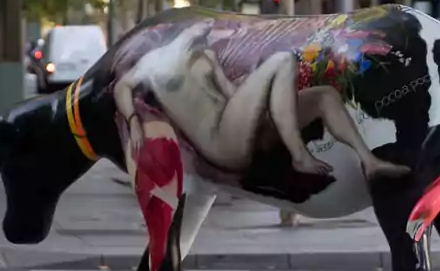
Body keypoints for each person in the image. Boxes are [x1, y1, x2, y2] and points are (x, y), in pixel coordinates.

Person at [114, 22, 409, 180]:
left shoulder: (205, 57)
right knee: (281, 60)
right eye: (199, 27)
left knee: (324, 96)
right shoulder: (156, 64)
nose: (205, 31)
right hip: (218, 141)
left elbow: (230, 95)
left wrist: (256, 90)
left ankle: (369, 162)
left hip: (237, 125)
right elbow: (122, 87)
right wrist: (132, 122)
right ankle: (299, 155)